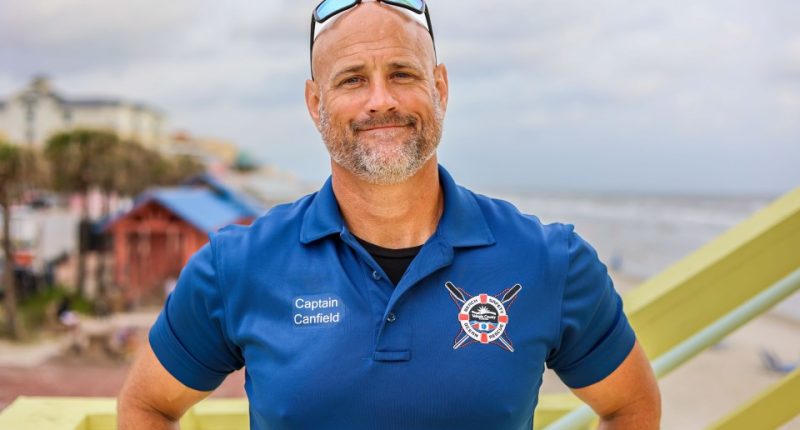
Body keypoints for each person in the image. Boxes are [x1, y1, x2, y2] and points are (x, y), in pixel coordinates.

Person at [117, 1, 661, 428]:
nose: (381, 100)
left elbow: (631, 405)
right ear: (315, 103)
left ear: (439, 88)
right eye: (352, 79)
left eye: (402, 73)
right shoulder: (236, 266)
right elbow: (147, 406)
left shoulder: (549, 260)